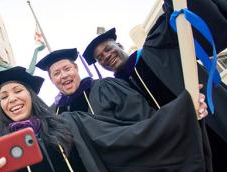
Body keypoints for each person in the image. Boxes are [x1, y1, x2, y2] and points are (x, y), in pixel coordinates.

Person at [82, 1, 227, 172]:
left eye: (108, 49)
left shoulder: (156, 48)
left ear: (119, 46)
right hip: (185, 150)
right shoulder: (116, 90)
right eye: (100, 58)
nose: (106, 57)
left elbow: (178, 14)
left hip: (215, 123)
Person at [0, 66, 215, 172]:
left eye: (17, 91)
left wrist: (183, 111)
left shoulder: (70, 122)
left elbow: (128, 138)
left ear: (31, 96)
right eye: (4, 97)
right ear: (0, 107)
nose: (11, 99)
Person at [36, 48, 208, 120]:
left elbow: (147, 119)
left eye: (67, 69)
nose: (63, 75)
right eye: (56, 73)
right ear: (52, 80)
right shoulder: (55, 112)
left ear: (76, 69)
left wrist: (184, 106)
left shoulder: (107, 87)